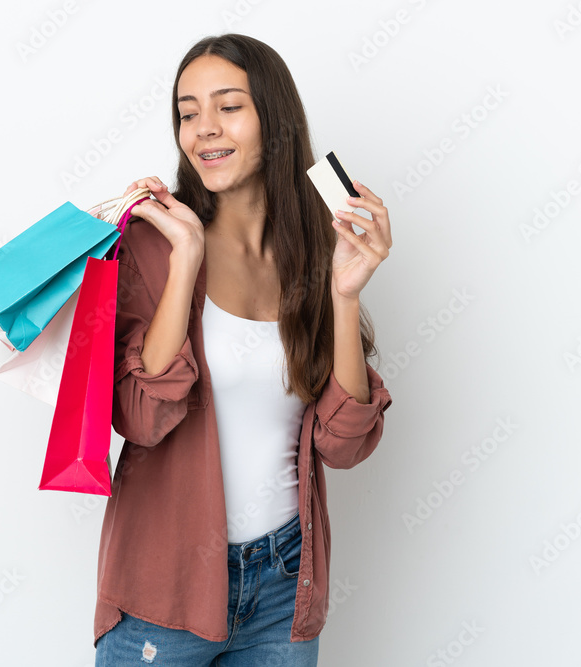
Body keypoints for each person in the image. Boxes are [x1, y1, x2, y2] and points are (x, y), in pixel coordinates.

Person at [93, 33, 394, 665]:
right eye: (187, 112)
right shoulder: (152, 246)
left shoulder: (312, 254)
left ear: (273, 119)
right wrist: (187, 260)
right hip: (164, 589)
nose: (205, 128)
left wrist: (344, 296)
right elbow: (142, 418)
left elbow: (343, 445)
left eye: (229, 106)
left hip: (285, 587)